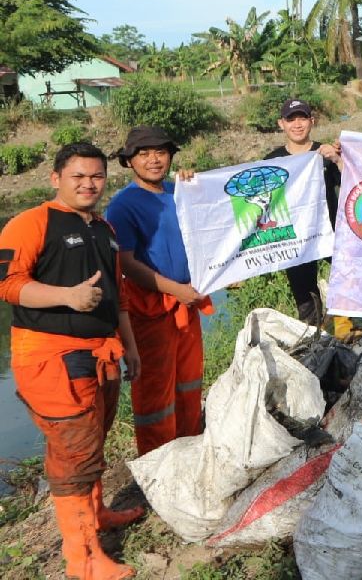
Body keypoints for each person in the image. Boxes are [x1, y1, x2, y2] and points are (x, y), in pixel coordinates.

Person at [0, 143, 144, 579]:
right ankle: (82, 560)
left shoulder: (104, 228)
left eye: (96, 176)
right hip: (51, 357)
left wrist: (131, 347)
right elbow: (7, 285)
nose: (88, 184)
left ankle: (97, 515)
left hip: (101, 353)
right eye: (78, 176)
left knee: (91, 442)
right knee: (73, 456)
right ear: (56, 178)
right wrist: (67, 296)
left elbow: (117, 296)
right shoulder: (30, 223)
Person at [105, 126, 211, 456]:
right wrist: (174, 289)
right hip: (152, 309)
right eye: (144, 153)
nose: (154, 159)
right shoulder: (123, 205)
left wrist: (194, 186)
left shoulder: (178, 191)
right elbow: (128, 264)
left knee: (189, 380)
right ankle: (159, 463)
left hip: (187, 303)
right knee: (156, 391)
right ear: (129, 162)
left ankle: (190, 446)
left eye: (161, 152)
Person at [264, 98, 341, 325]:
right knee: (306, 298)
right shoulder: (271, 161)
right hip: (294, 239)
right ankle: (315, 340)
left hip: (330, 231)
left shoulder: (325, 153)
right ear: (281, 124)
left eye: (302, 118)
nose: (297, 124)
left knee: (348, 277)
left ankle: (353, 329)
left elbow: (352, 185)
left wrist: (337, 159)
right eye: (291, 119)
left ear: (312, 121)